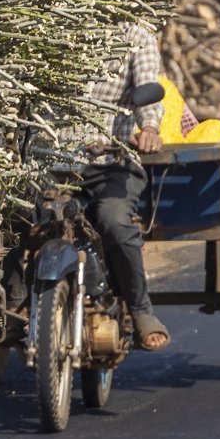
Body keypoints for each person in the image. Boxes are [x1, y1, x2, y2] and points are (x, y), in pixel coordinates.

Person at [81, 21, 169, 351]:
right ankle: (14, 303)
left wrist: (149, 127)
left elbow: (148, 88)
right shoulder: (54, 21)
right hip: (53, 164)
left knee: (114, 221)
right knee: (19, 223)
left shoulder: (135, 35)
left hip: (110, 164)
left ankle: (141, 310)